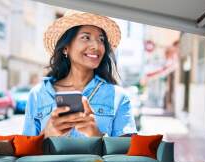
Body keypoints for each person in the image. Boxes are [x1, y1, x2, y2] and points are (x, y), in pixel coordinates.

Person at [22, 10, 136, 138]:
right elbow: (26, 152)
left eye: (101, 39)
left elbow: (127, 154)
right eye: (86, 37)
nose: (96, 46)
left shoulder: (119, 97)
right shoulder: (38, 94)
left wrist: (97, 136)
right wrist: (47, 134)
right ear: (66, 47)